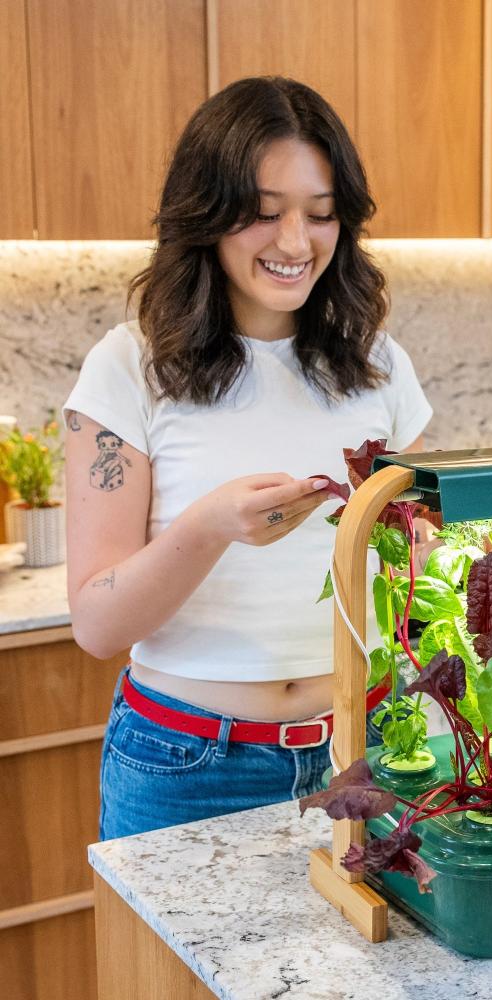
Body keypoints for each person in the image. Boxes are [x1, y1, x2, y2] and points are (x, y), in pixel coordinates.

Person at [63, 77, 432, 841]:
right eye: (264, 213)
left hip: (366, 752)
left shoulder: (379, 365)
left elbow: (418, 572)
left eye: (320, 214)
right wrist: (209, 527)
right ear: (206, 213)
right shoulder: (127, 368)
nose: (295, 243)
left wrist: (448, 553)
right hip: (188, 767)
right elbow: (97, 625)